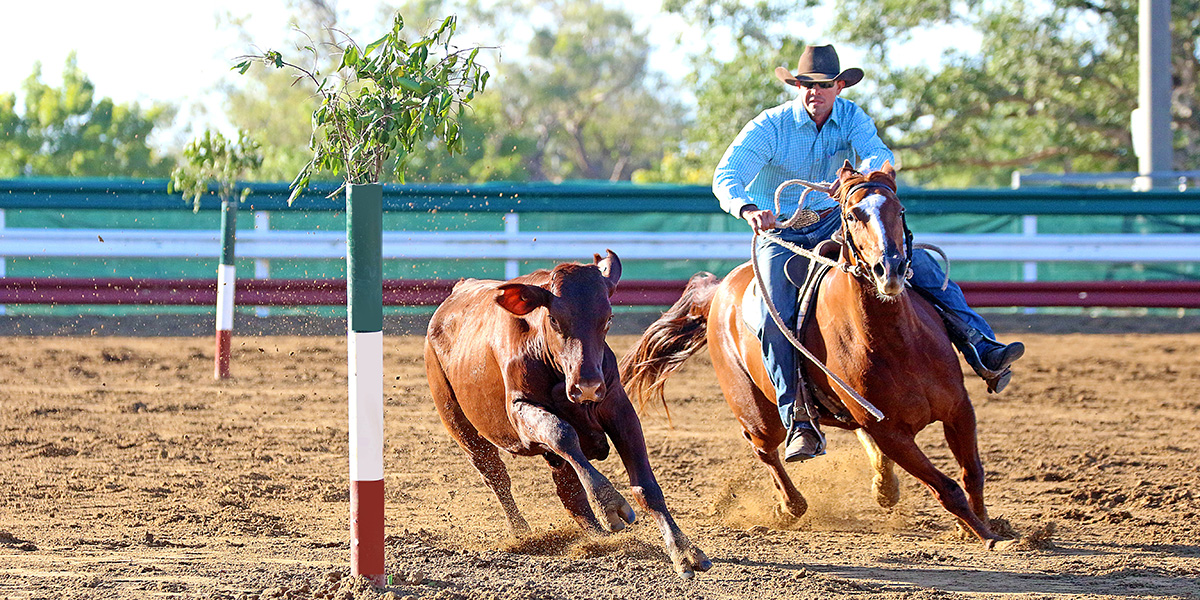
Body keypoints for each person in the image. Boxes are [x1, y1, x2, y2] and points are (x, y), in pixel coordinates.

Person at [712, 45, 1025, 463]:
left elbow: (877, 152)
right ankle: (798, 419)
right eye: (806, 85)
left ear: (839, 86)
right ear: (796, 86)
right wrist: (749, 209)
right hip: (783, 235)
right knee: (773, 317)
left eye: (823, 86)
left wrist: (873, 176)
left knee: (925, 269)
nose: (814, 93)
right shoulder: (770, 127)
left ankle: (981, 346)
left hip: (840, 220)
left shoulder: (852, 118)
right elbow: (727, 175)